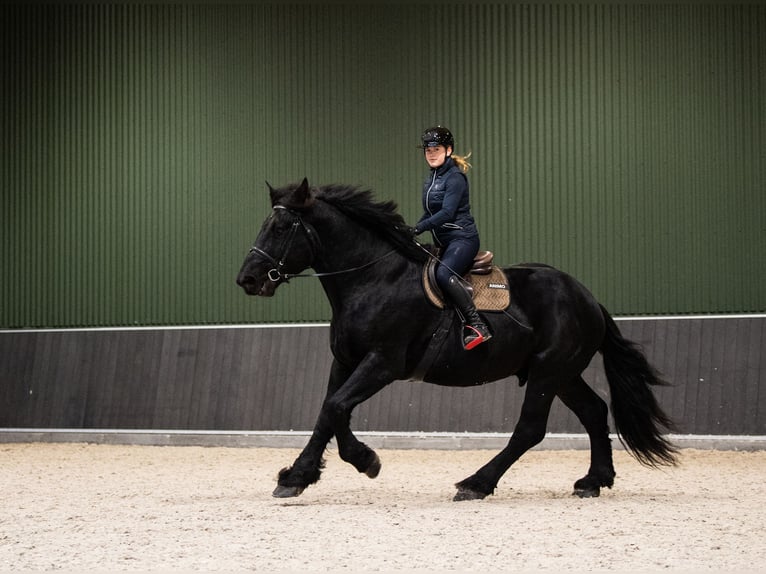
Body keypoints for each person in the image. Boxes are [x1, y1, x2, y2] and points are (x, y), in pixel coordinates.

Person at [411, 126, 492, 350]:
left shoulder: (455, 177)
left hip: (462, 239)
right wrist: (410, 229)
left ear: (448, 150)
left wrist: (419, 228)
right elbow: (429, 213)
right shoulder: (431, 180)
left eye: (436, 149)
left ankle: (476, 324)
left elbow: (446, 213)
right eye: (428, 150)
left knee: (444, 274)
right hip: (443, 242)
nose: (431, 154)